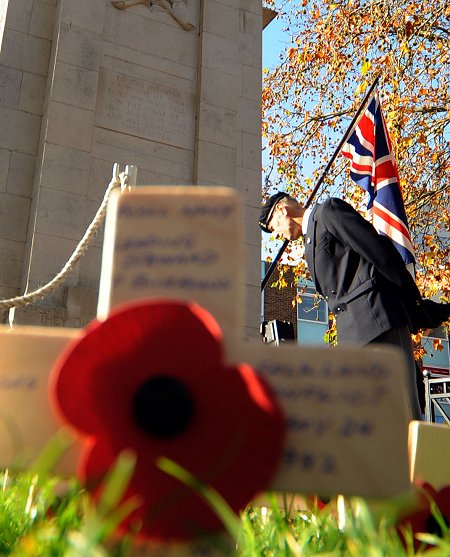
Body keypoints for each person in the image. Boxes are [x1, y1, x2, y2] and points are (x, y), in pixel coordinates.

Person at [259, 192, 449, 421]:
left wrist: (413, 303)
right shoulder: (310, 243)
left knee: (401, 408)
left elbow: (378, 251)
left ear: (282, 210)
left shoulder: (328, 212)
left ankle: (414, 457)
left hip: (378, 321)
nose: (278, 234)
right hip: (354, 337)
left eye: (274, 226)